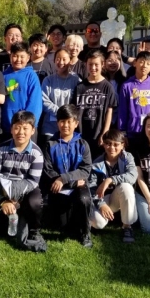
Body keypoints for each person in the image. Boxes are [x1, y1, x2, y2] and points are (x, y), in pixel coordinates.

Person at [0, 111, 47, 252]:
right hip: (3, 191)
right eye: (17, 127)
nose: (21, 132)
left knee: (35, 201)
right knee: (0, 229)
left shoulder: (37, 153)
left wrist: (15, 195)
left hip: (25, 191)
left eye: (25, 128)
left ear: (33, 130)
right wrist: (4, 201)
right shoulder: (1, 149)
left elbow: (32, 181)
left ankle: (35, 230)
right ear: (11, 129)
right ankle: (6, 216)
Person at [42, 104, 93, 248]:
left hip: (77, 187)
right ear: (57, 123)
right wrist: (68, 181)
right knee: (62, 225)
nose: (65, 125)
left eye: (69, 121)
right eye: (62, 121)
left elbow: (85, 170)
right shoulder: (49, 144)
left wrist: (64, 179)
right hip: (57, 187)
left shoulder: (83, 144)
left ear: (76, 123)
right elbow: (48, 170)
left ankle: (86, 233)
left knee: (84, 199)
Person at [88, 128, 138, 243]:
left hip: (121, 195)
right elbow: (91, 188)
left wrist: (110, 180)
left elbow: (132, 176)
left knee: (126, 186)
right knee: (98, 223)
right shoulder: (97, 163)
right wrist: (101, 204)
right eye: (108, 144)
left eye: (116, 144)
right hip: (104, 198)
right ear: (103, 144)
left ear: (122, 145)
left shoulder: (127, 157)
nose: (112, 147)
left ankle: (127, 227)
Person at [72, 49, 118, 157]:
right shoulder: (80, 87)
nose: (93, 68)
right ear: (86, 64)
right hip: (81, 134)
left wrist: (105, 133)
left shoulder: (108, 87)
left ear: (102, 64)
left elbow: (109, 111)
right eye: (90, 64)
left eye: (96, 64)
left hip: (99, 134)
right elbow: (74, 111)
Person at [118, 51, 150, 141]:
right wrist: (122, 131)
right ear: (135, 63)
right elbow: (123, 111)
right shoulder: (127, 86)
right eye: (141, 62)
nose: (144, 66)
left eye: (148, 64)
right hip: (133, 131)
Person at [1, 42, 43, 143]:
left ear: (28, 58)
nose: (18, 59)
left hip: (26, 128)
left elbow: (35, 103)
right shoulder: (3, 75)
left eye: (22, 56)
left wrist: (27, 124)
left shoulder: (31, 75)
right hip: (7, 126)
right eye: (15, 56)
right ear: (10, 56)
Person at [40, 48, 80, 149]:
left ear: (70, 61)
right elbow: (44, 100)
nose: (61, 62)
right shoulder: (48, 80)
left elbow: (79, 101)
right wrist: (60, 113)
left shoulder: (76, 80)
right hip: (50, 126)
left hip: (69, 126)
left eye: (64, 59)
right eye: (58, 59)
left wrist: (67, 115)